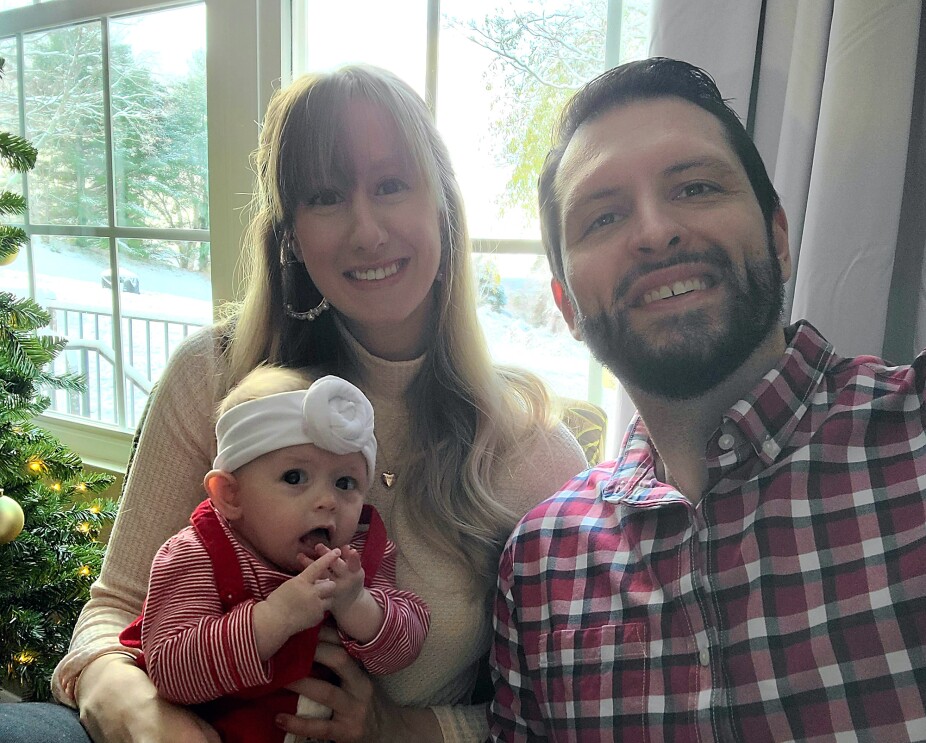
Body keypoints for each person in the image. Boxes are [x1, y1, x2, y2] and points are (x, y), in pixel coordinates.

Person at [0, 64, 586, 743]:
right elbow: (114, 611)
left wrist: (404, 728)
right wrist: (145, 715)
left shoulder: (532, 445)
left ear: (443, 208)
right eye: (327, 196)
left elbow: (556, 712)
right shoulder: (213, 376)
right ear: (293, 236)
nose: (366, 231)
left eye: (392, 185)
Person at [489, 57, 926, 742]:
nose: (655, 231)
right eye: (602, 217)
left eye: (694, 187)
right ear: (567, 307)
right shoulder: (540, 563)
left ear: (778, 239)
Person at [119, 367, 430, 743]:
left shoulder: (355, 558)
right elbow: (171, 671)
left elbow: (403, 650)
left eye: (345, 482)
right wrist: (274, 618)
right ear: (230, 495)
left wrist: (358, 605)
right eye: (295, 477)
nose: (327, 500)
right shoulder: (197, 554)